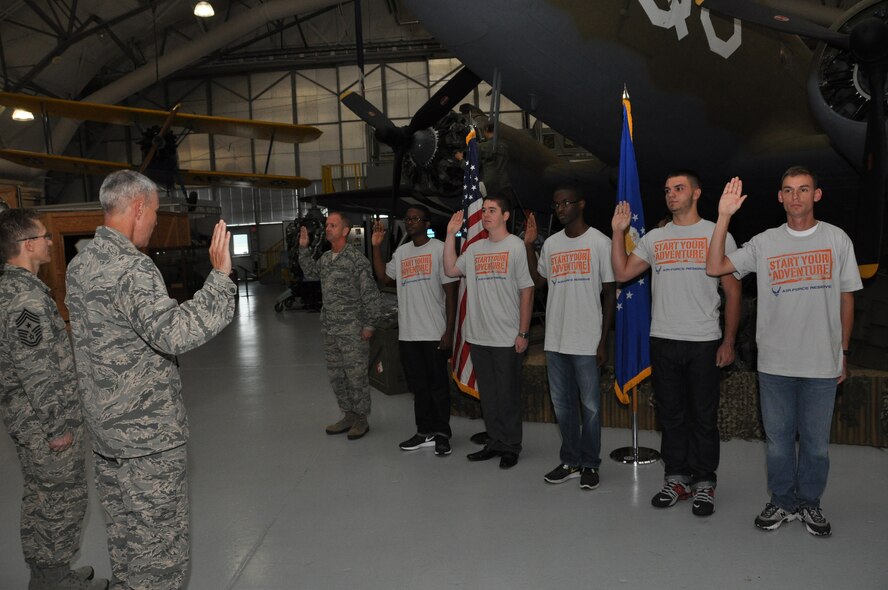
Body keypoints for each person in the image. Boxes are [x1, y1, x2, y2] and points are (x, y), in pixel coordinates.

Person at [65, 170, 237, 588]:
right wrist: (219, 278)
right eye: (155, 212)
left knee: (126, 544)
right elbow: (174, 334)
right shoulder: (132, 268)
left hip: (107, 437)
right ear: (138, 207)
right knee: (160, 557)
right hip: (146, 440)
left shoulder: (80, 263)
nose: (156, 222)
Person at [706, 168, 862, 536]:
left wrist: (843, 351)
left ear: (816, 195)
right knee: (777, 443)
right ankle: (781, 500)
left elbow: (847, 299)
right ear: (780, 197)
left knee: (816, 445)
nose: (796, 197)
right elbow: (715, 266)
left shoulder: (837, 240)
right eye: (789, 191)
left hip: (822, 363)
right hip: (775, 364)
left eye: (803, 190)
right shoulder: (765, 243)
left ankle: (809, 503)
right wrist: (724, 216)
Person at [611, 170, 741, 517]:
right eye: (667, 190)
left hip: (703, 341)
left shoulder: (717, 233)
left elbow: (732, 291)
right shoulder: (655, 238)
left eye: (679, 189)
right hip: (663, 340)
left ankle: (704, 484)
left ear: (696, 193)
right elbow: (622, 273)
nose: (671, 195)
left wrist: (729, 341)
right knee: (671, 416)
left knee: (703, 417)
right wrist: (617, 233)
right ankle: (676, 478)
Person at [0, 209, 107, 590]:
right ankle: (52, 581)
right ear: (27, 245)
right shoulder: (24, 298)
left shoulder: (15, 289)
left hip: (31, 420)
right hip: (44, 423)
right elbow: (37, 370)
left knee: (43, 499)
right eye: (44, 236)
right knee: (60, 502)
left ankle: (51, 574)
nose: (49, 241)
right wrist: (57, 428)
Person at [524, 186, 615, 489]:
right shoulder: (550, 244)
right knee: (562, 406)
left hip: (587, 339)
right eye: (556, 204)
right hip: (555, 339)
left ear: (581, 204)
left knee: (590, 407)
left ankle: (590, 463)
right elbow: (538, 282)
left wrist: (603, 341)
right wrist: (528, 245)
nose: (560, 209)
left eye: (566, 203)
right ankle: (570, 460)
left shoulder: (600, 242)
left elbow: (609, 294)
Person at [443, 195, 534, 469]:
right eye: (484, 211)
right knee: (490, 397)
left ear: (505, 216)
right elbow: (450, 269)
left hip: (507, 337)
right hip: (478, 336)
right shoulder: (474, 248)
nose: (486, 214)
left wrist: (524, 333)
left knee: (507, 396)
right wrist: (450, 236)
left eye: (492, 210)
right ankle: (494, 442)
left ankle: (511, 446)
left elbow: (526, 291)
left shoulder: (515, 246)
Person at [371, 206, 458, 456]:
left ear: (426, 222)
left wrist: (449, 331)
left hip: (433, 331)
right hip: (408, 333)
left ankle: (442, 433)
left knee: (438, 386)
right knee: (418, 387)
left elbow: (451, 293)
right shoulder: (401, 252)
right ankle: (424, 431)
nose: (410, 222)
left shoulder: (440, 249)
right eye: (407, 218)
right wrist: (377, 246)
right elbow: (383, 278)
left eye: (415, 218)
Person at [299, 211, 382, 440]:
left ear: (345, 231)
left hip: (353, 331)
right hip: (331, 330)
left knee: (356, 377)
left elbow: (371, 296)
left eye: (333, 225)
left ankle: (362, 419)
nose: (328, 228)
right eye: (327, 225)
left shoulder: (357, 261)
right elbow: (310, 272)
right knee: (337, 377)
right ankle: (348, 415)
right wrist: (304, 248)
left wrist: (369, 325)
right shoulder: (326, 259)